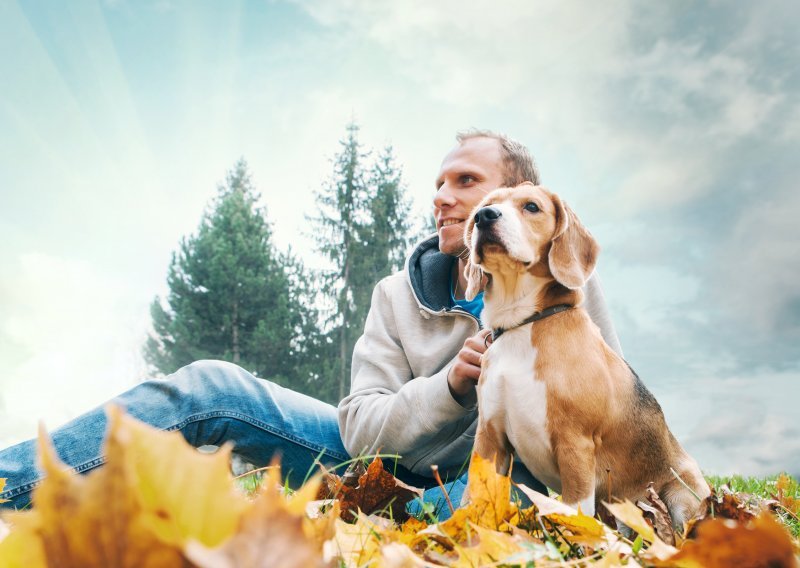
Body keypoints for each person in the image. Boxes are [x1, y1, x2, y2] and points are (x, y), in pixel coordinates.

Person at [0, 130, 622, 514]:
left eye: (466, 181)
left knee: (515, 503)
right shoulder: (395, 297)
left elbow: (609, 415)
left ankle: (407, 520)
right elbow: (358, 426)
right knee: (212, 386)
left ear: (523, 200)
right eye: (438, 183)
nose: (442, 196)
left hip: (497, 483)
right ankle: (10, 482)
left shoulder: (565, 283)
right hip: (376, 464)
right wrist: (451, 388)